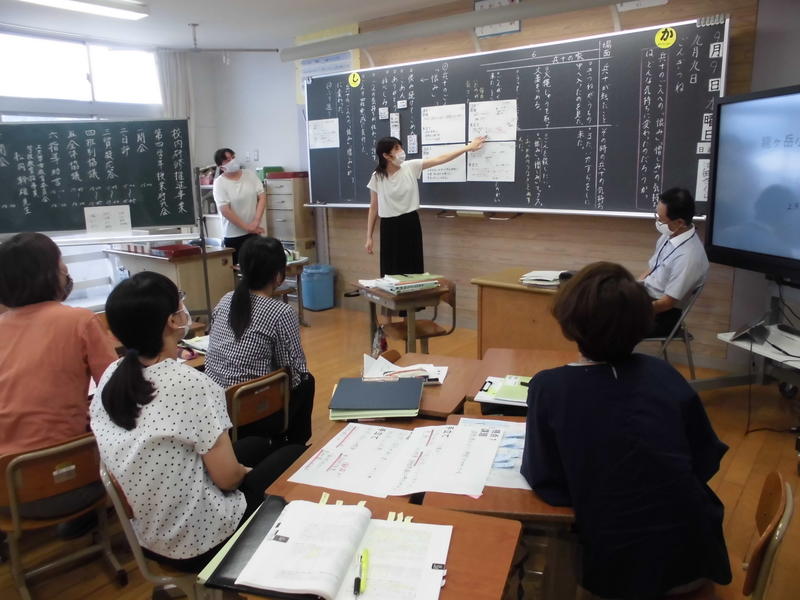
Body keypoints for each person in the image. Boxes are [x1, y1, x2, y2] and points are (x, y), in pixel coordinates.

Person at [521, 262, 731, 600]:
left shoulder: (549, 387)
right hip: (698, 558)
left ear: (569, 322)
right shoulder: (665, 374)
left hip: (616, 577)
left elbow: (548, 482)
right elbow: (705, 459)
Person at [90, 271, 305, 572]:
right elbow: (228, 480)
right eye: (179, 302)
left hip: (147, 534)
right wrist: (243, 471)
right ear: (172, 320)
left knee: (256, 444)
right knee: (294, 454)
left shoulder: (112, 375)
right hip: (200, 540)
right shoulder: (191, 384)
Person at [0, 233, 118, 518]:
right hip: (67, 481)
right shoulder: (79, 321)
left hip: (5, 491)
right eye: (60, 262)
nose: (66, 269)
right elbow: (117, 391)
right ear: (48, 273)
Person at [205, 236, 313, 446]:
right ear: (278, 275)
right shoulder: (281, 312)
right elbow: (294, 371)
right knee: (307, 381)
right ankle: (294, 447)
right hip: (250, 410)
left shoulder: (227, 298)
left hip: (217, 404)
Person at [364, 135, 486, 277]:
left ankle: (414, 290)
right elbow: (373, 207)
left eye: (401, 147)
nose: (401, 151)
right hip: (389, 226)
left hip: (410, 221)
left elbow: (440, 159)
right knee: (391, 268)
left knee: (412, 264)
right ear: (386, 155)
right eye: (396, 148)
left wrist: (468, 147)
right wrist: (369, 237)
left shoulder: (410, 167)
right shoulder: (377, 177)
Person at [640, 187, 709, 337]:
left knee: (606, 322)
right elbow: (651, 269)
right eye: (657, 215)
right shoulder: (670, 235)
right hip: (646, 298)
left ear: (679, 222)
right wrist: (633, 287)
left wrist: (634, 310)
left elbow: (667, 303)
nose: (657, 222)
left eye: (661, 219)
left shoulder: (689, 257)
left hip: (661, 314)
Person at [212, 147, 266, 263]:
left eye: (233, 157)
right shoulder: (219, 183)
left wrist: (256, 221)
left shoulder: (249, 174)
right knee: (239, 268)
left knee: (258, 266)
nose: (232, 161)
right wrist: (247, 227)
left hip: (254, 231)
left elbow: (262, 196)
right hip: (234, 235)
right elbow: (225, 210)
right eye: (227, 160)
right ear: (221, 166)